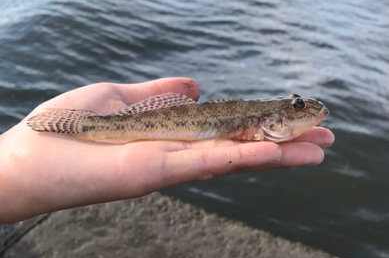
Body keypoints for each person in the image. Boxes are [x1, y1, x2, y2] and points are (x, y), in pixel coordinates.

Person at [0, 78, 334, 224]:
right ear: (270, 119)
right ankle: (85, 126)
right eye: (298, 107)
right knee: (97, 126)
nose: (306, 110)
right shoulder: (260, 120)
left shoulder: (265, 119)